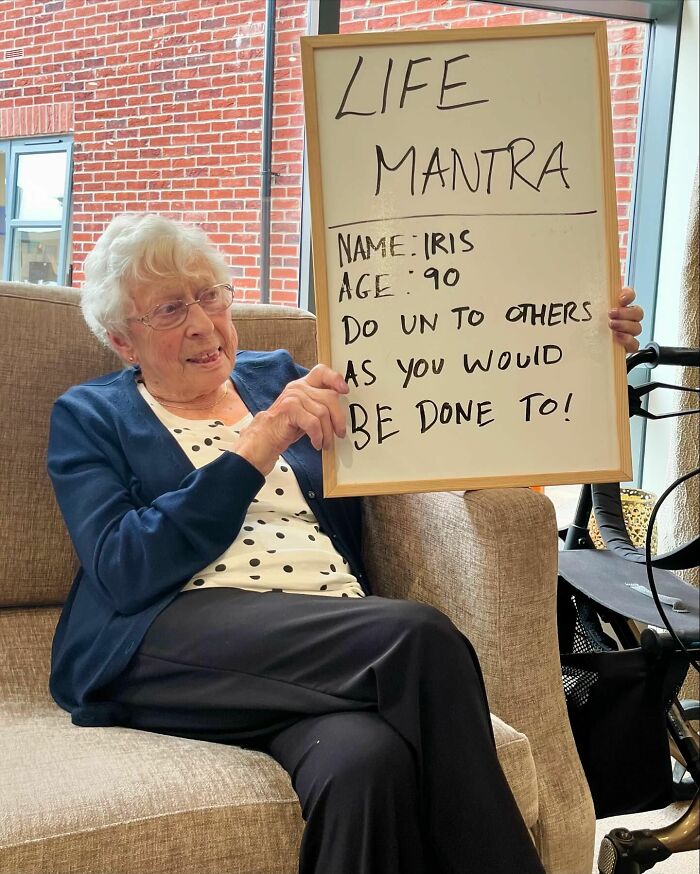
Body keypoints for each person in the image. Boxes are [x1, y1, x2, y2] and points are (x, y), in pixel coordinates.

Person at [47, 213, 644, 874]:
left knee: (365, 764)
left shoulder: (280, 374)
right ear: (121, 341)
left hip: (326, 647)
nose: (200, 323)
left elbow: (443, 407)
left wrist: (581, 349)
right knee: (419, 638)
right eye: (168, 309)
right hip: (166, 643)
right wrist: (259, 441)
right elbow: (124, 567)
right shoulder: (90, 415)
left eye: (209, 295)